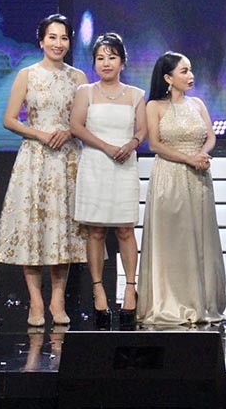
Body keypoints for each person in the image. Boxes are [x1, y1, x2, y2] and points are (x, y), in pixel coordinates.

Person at [0, 14, 88, 326]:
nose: (58, 43)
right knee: (33, 230)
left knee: (63, 232)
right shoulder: (27, 75)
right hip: (35, 159)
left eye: (64, 38)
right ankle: (35, 301)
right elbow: (9, 120)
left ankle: (57, 300)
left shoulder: (78, 78)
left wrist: (70, 132)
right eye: (52, 37)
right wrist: (40, 134)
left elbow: (86, 120)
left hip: (67, 160)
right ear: (41, 41)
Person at [136, 52, 225, 325]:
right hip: (170, 177)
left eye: (190, 70)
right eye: (184, 71)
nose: (190, 76)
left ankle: (202, 301)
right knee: (173, 239)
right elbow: (155, 144)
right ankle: (171, 301)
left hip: (199, 178)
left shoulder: (197, 103)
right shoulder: (154, 106)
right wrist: (188, 159)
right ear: (168, 78)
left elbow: (210, 137)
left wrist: (202, 154)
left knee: (199, 238)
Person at [69, 33, 147, 330]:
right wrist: (106, 147)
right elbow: (76, 126)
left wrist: (131, 144)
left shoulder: (136, 94)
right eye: (100, 58)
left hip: (124, 165)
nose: (106, 63)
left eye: (112, 57)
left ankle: (130, 288)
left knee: (126, 229)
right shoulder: (85, 92)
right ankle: (98, 289)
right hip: (95, 164)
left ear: (122, 62)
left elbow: (142, 130)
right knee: (97, 230)